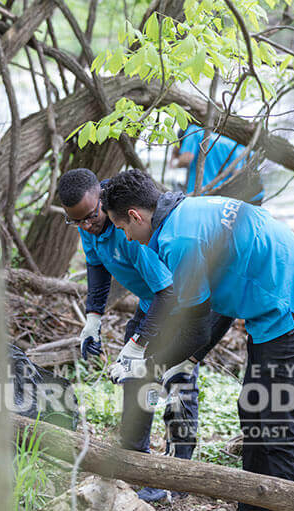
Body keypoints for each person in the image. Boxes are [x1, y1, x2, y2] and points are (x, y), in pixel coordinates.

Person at [101, 169, 294, 511]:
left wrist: (149, 365)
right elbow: (215, 308)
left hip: (293, 304)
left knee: (278, 423)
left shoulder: (178, 242)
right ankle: (253, 504)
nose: (128, 239)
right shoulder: (186, 212)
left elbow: (196, 328)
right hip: (274, 304)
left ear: (135, 216)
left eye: (123, 229)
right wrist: (183, 359)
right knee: (254, 409)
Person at [58, 168, 233, 503]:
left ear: (101, 199)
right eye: (75, 221)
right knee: (137, 379)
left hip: (183, 300)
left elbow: (168, 291)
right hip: (154, 302)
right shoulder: (89, 219)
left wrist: (138, 344)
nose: (85, 226)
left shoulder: (132, 226)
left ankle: (181, 473)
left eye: (91, 217)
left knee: (176, 376)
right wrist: (93, 318)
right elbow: (96, 267)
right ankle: (137, 464)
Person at [174, 124, 263, 202]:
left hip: (201, 195)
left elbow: (186, 159)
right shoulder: (231, 140)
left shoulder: (194, 130)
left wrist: (175, 160)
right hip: (223, 198)